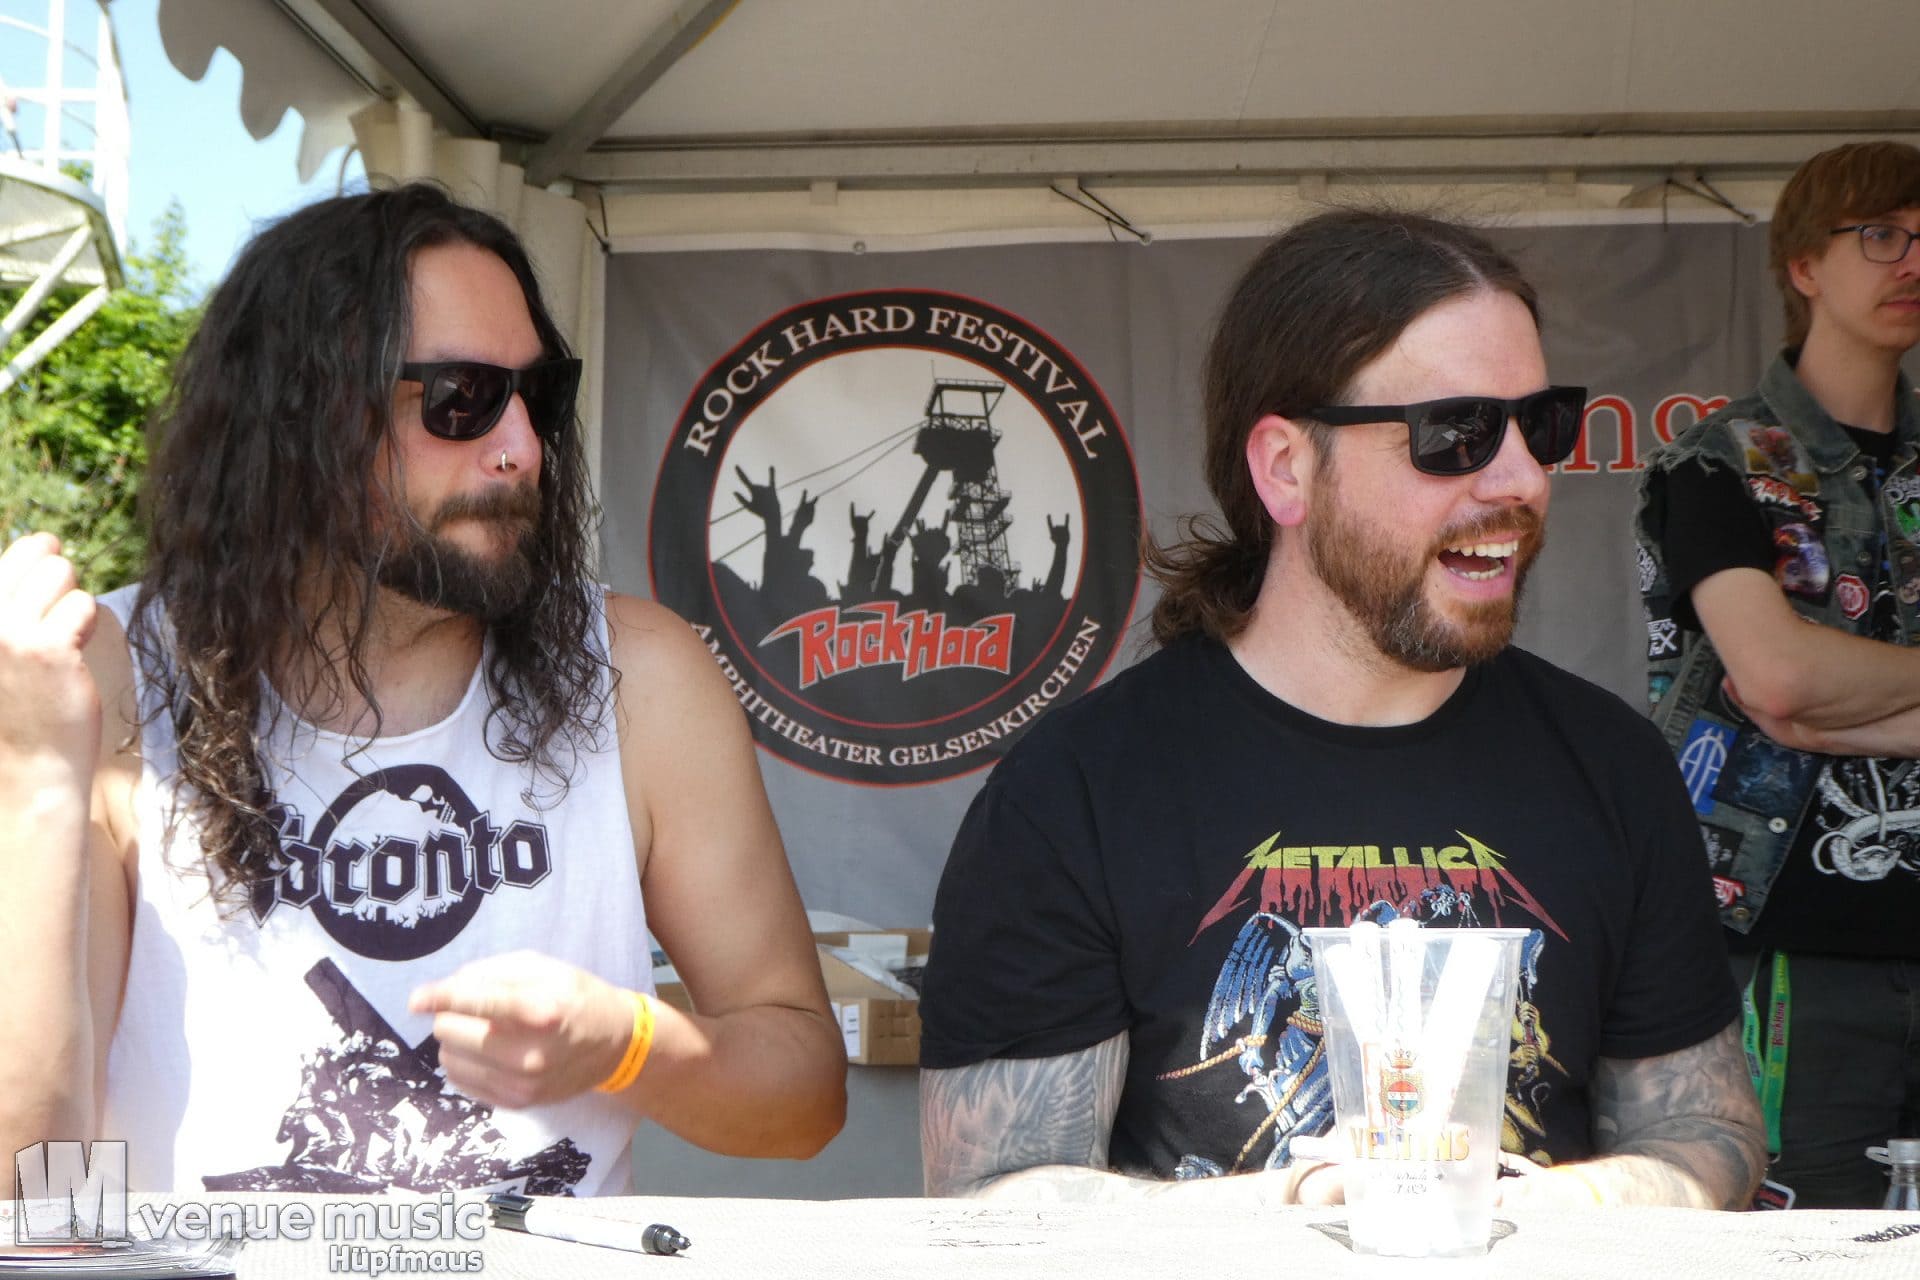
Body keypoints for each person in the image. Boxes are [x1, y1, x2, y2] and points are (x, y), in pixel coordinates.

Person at [0, 184, 845, 1199]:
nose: (522, 447)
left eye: (540, 396)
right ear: (303, 420)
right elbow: (23, 1182)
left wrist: (628, 1044)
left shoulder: (641, 677)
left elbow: (806, 1099)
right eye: (461, 398)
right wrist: (35, 782)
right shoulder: (106, 677)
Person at [918, 208, 1764, 1209]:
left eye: (1540, 426)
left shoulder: (1611, 763)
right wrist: (1291, 1214)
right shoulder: (1078, 790)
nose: (1523, 479)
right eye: (1455, 433)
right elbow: (991, 1196)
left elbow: (1704, 1128)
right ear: (1286, 467)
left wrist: (1563, 1208)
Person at [1637, 141, 1920, 1209]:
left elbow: (1802, 697)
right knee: (1801, 1248)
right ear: (1804, 266)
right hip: (1784, 946)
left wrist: (1845, 703)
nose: (1912, 261)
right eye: (1881, 235)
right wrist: (1807, 697)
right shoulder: (1716, 462)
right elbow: (1779, 678)